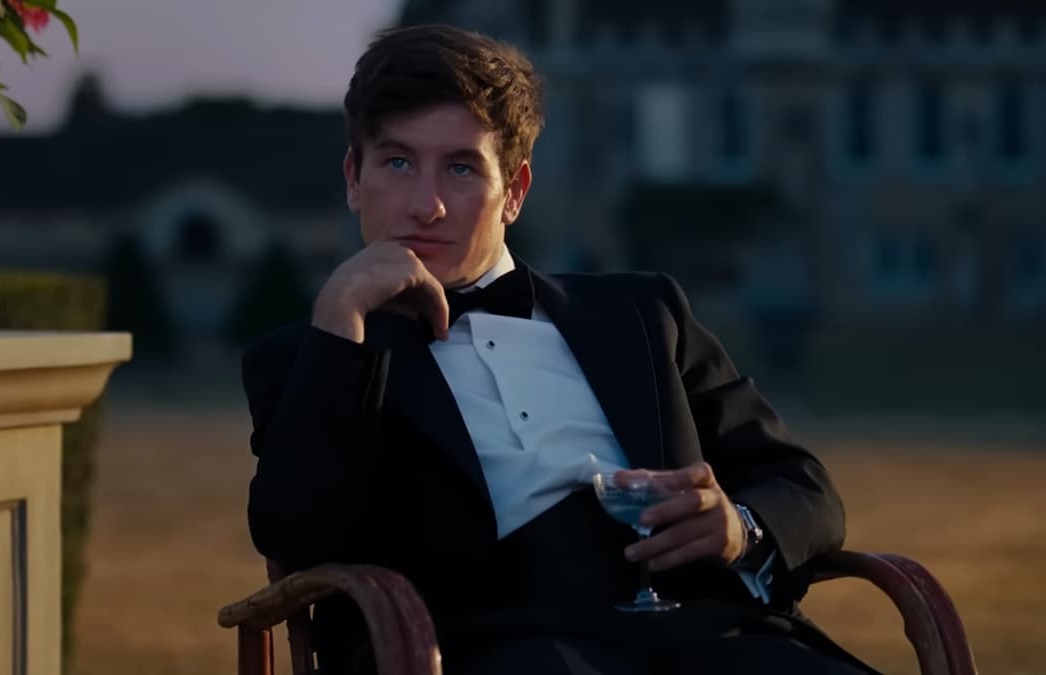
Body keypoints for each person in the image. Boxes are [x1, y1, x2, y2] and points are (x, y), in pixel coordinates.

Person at [243, 24, 874, 675]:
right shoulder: (310, 354)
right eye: (397, 163)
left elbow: (804, 485)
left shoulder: (641, 312)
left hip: (709, 639)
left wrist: (740, 526)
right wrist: (340, 319)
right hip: (482, 650)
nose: (425, 205)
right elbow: (301, 538)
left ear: (514, 191)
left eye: (461, 168)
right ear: (354, 176)